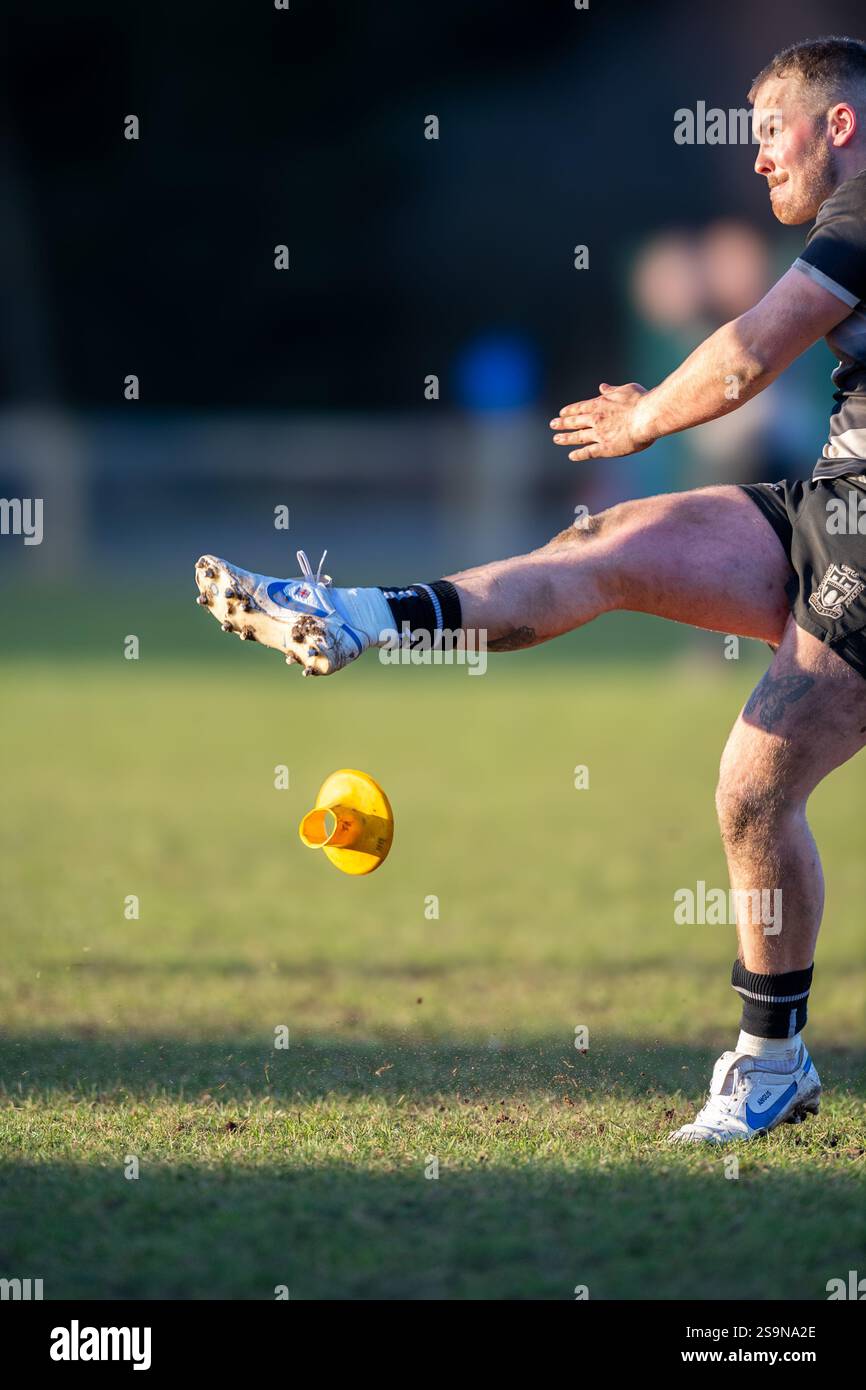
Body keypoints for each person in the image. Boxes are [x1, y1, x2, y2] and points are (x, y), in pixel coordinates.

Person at [195, 37, 866, 1143]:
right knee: (602, 541)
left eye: (767, 133)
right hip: (833, 502)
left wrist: (642, 416)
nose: (753, 161)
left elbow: (752, 352)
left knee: (751, 789)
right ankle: (355, 614)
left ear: (835, 126)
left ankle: (768, 1063)